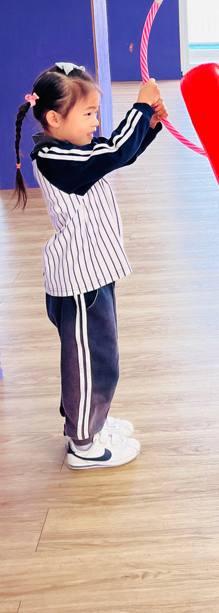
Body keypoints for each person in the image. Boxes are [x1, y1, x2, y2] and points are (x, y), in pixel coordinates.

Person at [13, 62, 167, 469]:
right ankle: (83, 442)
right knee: (91, 361)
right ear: (54, 118)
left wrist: (148, 126)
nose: (96, 122)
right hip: (80, 280)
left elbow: (114, 158)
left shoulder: (73, 151)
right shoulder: (52, 156)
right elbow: (113, 152)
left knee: (98, 356)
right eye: (88, 113)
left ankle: (91, 420)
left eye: (96, 113)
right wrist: (139, 109)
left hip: (95, 272)